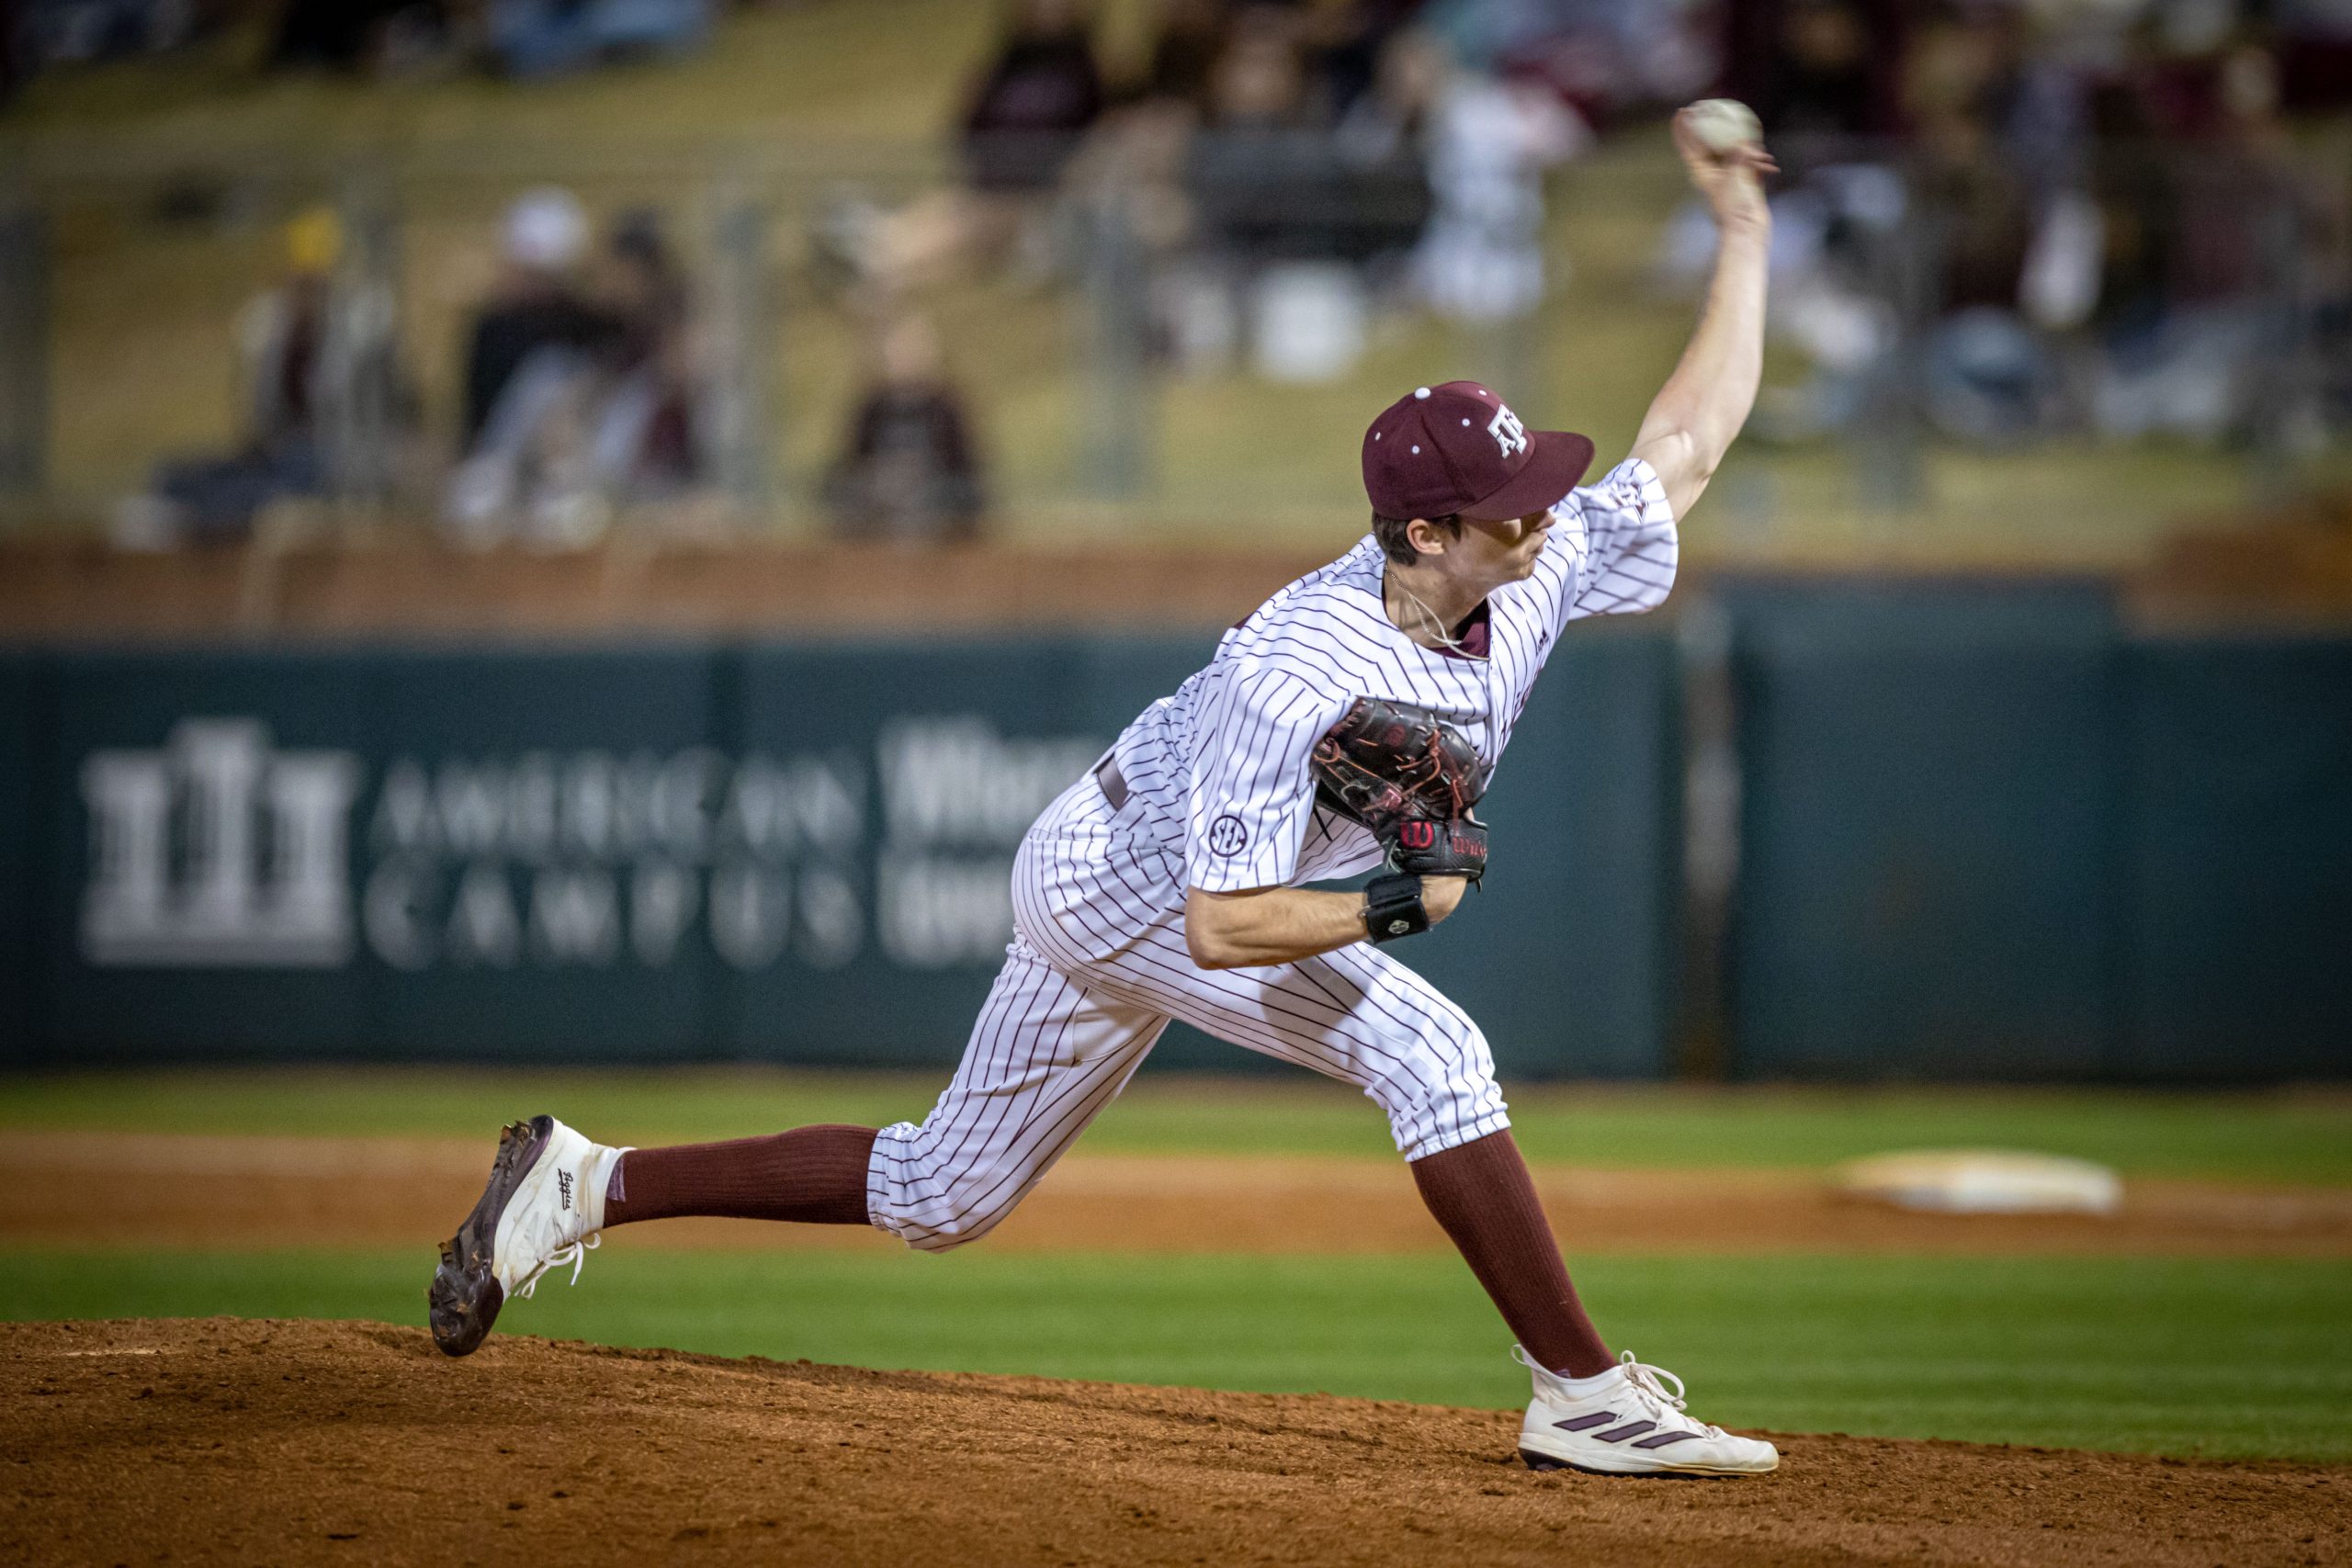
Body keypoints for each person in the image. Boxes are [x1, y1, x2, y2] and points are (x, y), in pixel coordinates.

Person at [429, 106, 1781, 1479]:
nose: (1545, 512)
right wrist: (1386, 902)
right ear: (1426, 533)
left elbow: (1687, 446)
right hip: (1125, 875)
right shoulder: (1296, 664)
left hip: (1150, 860)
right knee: (1434, 1059)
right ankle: (1582, 1391)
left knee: (942, 1192)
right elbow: (1220, 928)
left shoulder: (1532, 566)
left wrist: (1741, 228)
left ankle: (584, 1182)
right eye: (1509, 501)